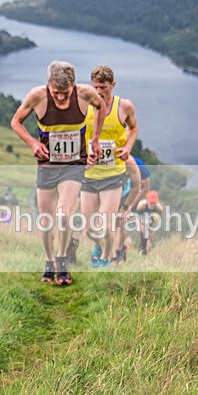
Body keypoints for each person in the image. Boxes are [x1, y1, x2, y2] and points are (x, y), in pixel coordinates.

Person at [10, 61, 105, 286]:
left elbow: (100, 107)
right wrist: (32, 142)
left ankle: (62, 257)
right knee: (45, 220)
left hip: (74, 165)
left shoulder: (85, 94)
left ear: (73, 86)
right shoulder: (37, 96)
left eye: (65, 93)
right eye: (56, 93)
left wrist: (95, 140)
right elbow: (16, 122)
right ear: (48, 86)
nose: (60, 98)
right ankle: (48, 260)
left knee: (63, 215)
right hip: (46, 165)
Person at [80, 65, 139, 268]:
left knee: (105, 226)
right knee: (89, 230)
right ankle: (99, 248)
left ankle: (106, 260)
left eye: (103, 87)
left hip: (113, 174)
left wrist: (128, 147)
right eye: (95, 87)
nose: (98, 92)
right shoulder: (84, 106)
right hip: (89, 175)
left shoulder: (124, 107)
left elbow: (134, 128)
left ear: (112, 85)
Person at [112, 156, 151, 263]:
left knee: (123, 224)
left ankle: (121, 251)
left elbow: (146, 186)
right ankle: (120, 249)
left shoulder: (136, 163)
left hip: (133, 197)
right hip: (119, 195)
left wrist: (130, 205)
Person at [135, 190, 164, 255]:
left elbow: (157, 219)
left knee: (150, 237)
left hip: (151, 219)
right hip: (141, 218)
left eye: (154, 203)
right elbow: (137, 217)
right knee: (143, 234)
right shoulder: (141, 205)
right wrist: (139, 227)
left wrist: (153, 230)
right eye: (150, 202)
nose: (152, 204)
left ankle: (146, 253)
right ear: (147, 200)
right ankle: (141, 250)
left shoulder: (159, 209)